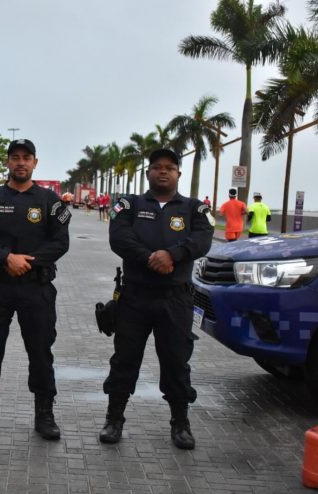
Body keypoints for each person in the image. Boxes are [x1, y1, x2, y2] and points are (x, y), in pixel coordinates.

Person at [100, 148, 213, 450]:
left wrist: (172, 256)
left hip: (175, 300)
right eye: (157, 167)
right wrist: (151, 258)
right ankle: (114, 419)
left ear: (179, 173)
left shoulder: (195, 208)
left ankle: (180, 424)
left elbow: (202, 240)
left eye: (170, 167)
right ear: (148, 172)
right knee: (124, 359)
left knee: (177, 363)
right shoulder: (130, 204)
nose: (163, 172)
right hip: (135, 297)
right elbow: (119, 237)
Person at [0, 139, 71, 440]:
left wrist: (27, 263)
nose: (21, 162)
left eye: (26, 158)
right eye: (15, 158)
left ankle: (44, 415)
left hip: (37, 288)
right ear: (8, 163)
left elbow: (60, 242)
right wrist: (6, 257)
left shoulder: (50, 201)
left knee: (41, 352)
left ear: (35, 163)